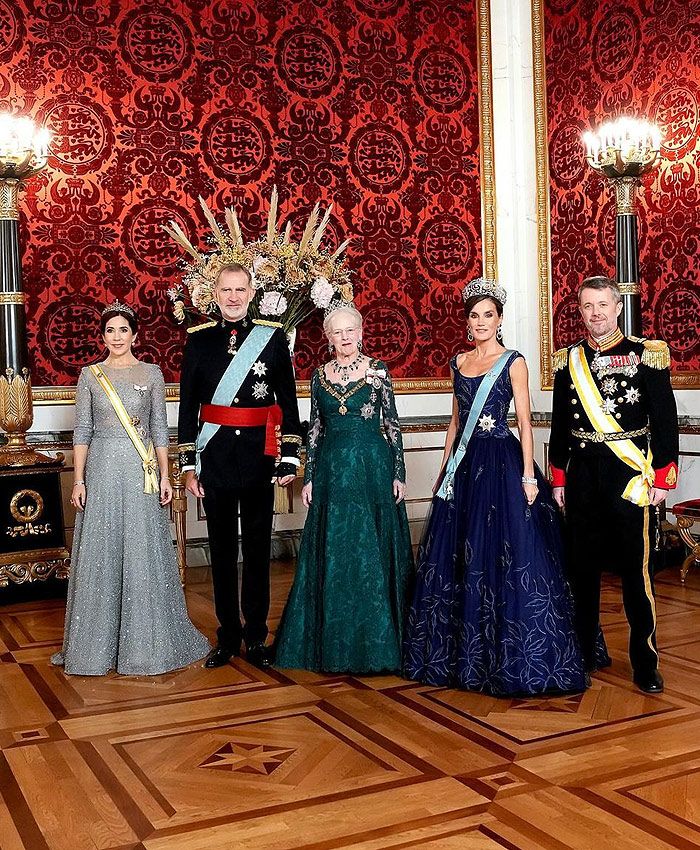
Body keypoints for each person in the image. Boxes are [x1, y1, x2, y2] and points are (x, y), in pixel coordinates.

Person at [403, 278, 588, 696]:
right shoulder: (459, 362)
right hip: (466, 468)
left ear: (499, 319)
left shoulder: (514, 361)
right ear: (467, 323)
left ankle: (518, 654)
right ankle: (465, 656)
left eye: (489, 315)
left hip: (503, 464)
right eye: (474, 315)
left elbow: (524, 422)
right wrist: (443, 469)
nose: (481, 322)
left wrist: (528, 474)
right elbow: (454, 422)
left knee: (512, 553)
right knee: (462, 555)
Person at [52, 303, 209, 676]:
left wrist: (167, 476)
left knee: (142, 551)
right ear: (103, 336)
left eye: (123, 330)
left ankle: (145, 645)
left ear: (135, 335)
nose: (117, 337)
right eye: (111, 331)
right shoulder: (90, 375)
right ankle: (95, 649)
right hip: (103, 472)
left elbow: (158, 430)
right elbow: (83, 431)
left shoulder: (152, 374)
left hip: (143, 474)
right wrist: (79, 479)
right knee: (102, 551)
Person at [550, 276, 679, 694]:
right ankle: (585, 652)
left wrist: (662, 477)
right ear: (581, 310)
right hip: (584, 474)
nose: (597, 313)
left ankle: (645, 662)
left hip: (628, 474)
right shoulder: (568, 360)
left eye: (603, 305)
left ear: (617, 306)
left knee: (635, 572)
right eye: (588, 306)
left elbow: (664, 419)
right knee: (582, 571)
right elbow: (560, 425)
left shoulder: (647, 354)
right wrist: (558, 478)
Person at [274, 304, 413, 673]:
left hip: (372, 468)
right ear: (328, 337)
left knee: (371, 551)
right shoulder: (319, 376)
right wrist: (310, 477)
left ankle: (379, 644)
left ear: (361, 332)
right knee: (337, 550)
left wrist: (398, 473)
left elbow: (392, 424)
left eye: (351, 330)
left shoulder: (378, 371)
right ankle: (333, 643)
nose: (346, 337)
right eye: (338, 332)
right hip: (333, 472)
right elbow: (315, 431)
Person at [178, 263, 302, 669]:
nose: (233, 297)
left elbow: (287, 401)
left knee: (257, 549)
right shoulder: (198, 342)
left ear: (251, 294)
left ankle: (257, 638)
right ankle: (227, 636)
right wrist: (188, 465)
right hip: (213, 459)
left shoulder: (271, 338)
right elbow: (187, 409)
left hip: (258, 459)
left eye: (240, 290)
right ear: (214, 294)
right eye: (226, 290)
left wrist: (288, 455)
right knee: (222, 551)